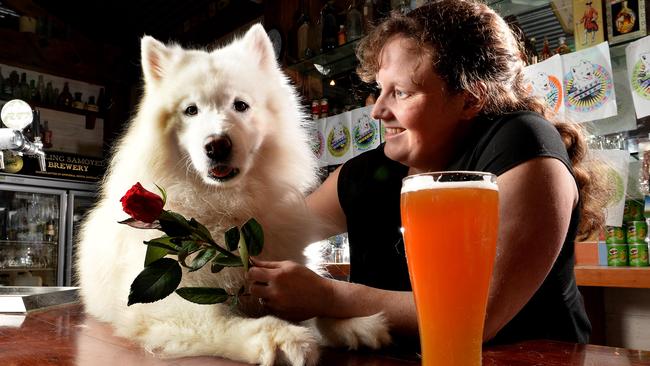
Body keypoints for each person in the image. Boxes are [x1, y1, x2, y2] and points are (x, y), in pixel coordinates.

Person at [246, 0, 610, 346]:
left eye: (401, 93)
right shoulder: (373, 171)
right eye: (379, 90)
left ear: (470, 98)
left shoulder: (522, 143)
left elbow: (478, 316)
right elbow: (274, 230)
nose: (378, 111)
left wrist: (327, 296)